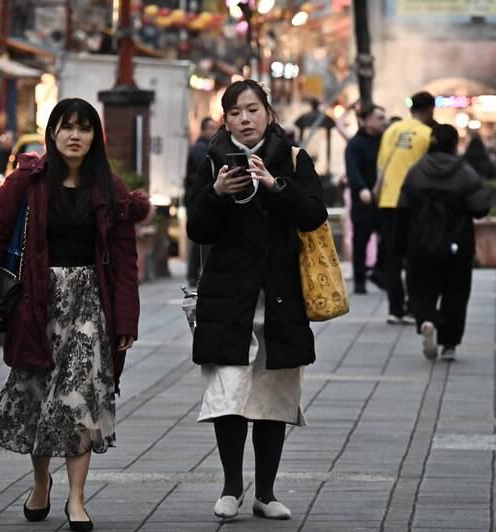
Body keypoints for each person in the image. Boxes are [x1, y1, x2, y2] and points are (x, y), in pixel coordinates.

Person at [0, 98, 150, 531]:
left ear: (94, 137)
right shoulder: (27, 182)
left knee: (78, 400)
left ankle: (77, 500)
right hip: (37, 305)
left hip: (90, 306)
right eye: (66, 127)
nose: (74, 136)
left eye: (84, 129)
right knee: (39, 401)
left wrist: (126, 321)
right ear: (52, 133)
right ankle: (41, 482)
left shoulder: (110, 189)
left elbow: (125, 261)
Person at [187, 79, 327, 521]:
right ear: (224, 119)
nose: (244, 119)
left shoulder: (294, 158)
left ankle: (265, 492)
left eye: (252, 110)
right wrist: (217, 195)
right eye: (234, 113)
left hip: (281, 296)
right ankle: (231, 487)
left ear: (268, 111)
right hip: (229, 297)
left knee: (272, 396)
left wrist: (275, 185)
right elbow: (196, 230)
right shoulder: (208, 161)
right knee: (229, 393)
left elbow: (314, 215)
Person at [395, 125, 490, 361]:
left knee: (421, 289)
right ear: (455, 143)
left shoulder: (416, 171)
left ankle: (428, 319)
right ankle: (449, 344)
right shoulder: (465, 172)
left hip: (421, 244)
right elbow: (480, 208)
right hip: (457, 245)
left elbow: (402, 209)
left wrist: (399, 245)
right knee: (456, 293)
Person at [374, 93, 433, 324]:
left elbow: (380, 165)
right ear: (430, 110)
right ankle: (411, 308)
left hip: (388, 201)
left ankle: (394, 309)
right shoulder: (427, 135)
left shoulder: (391, 130)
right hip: (413, 203)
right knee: (413, 258)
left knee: (392, 257)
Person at [345, 104, 387, 294]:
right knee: (361, 241)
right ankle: (360, 280)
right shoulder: (355, 144)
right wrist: (361, 189)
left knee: (387, 239)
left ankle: (379, 272)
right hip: (363, 200)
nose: (383, 121)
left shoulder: (385, 140)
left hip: (383, 199)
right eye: (379, 118)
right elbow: (352, 170)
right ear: (367, 120)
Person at [184, 116, 219, 287]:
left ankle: (195, 273)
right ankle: (195, 274)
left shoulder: (205, 148)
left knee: (199, 242)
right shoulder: (201, 150)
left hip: (198, 197)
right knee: (199, 241)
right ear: (204, 129)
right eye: (211, 128)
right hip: (197, 199)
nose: (214, 131)